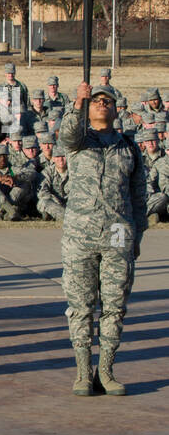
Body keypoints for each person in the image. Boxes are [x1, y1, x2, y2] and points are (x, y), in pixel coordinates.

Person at [58, 82, 146, 395]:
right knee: (81, 307)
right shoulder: (80, 140)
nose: (102, 104)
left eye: (107, 101)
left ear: (116, 108)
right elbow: (67, 134)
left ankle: (105, 371)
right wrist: (78, 104)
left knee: (115, 306)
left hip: (119, 233)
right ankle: (83, 372)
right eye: (96, 100)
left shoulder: (128, 146)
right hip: (80, 234)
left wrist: (137, 234)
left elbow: (138, 195)